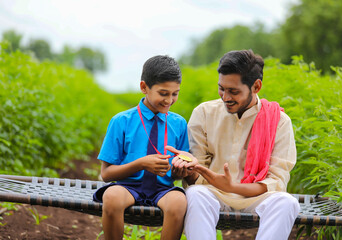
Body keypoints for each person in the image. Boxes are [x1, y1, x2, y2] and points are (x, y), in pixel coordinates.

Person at [168, 50, 300, 240]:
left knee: (287, 202)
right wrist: (188, 168)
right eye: (222, 88)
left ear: (256, 86)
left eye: (234, 91)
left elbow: (276, 181)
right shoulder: (204, 113)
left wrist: (232, 187)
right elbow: (197, 174)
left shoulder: (279, 121)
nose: (225, 97)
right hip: (212, 192)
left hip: (256, 196)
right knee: (196, 194)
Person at [93, 55, 194, 240]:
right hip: (127, 187)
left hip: (163, 190)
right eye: (163, 93)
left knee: (179, 202)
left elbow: (176, 175)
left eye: (175, 93)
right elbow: (106, 174)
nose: (169, 100)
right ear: (144, 88)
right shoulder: (121, 121)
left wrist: (180, 170)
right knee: (111, 197)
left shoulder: (179, 124)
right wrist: (140, 164)